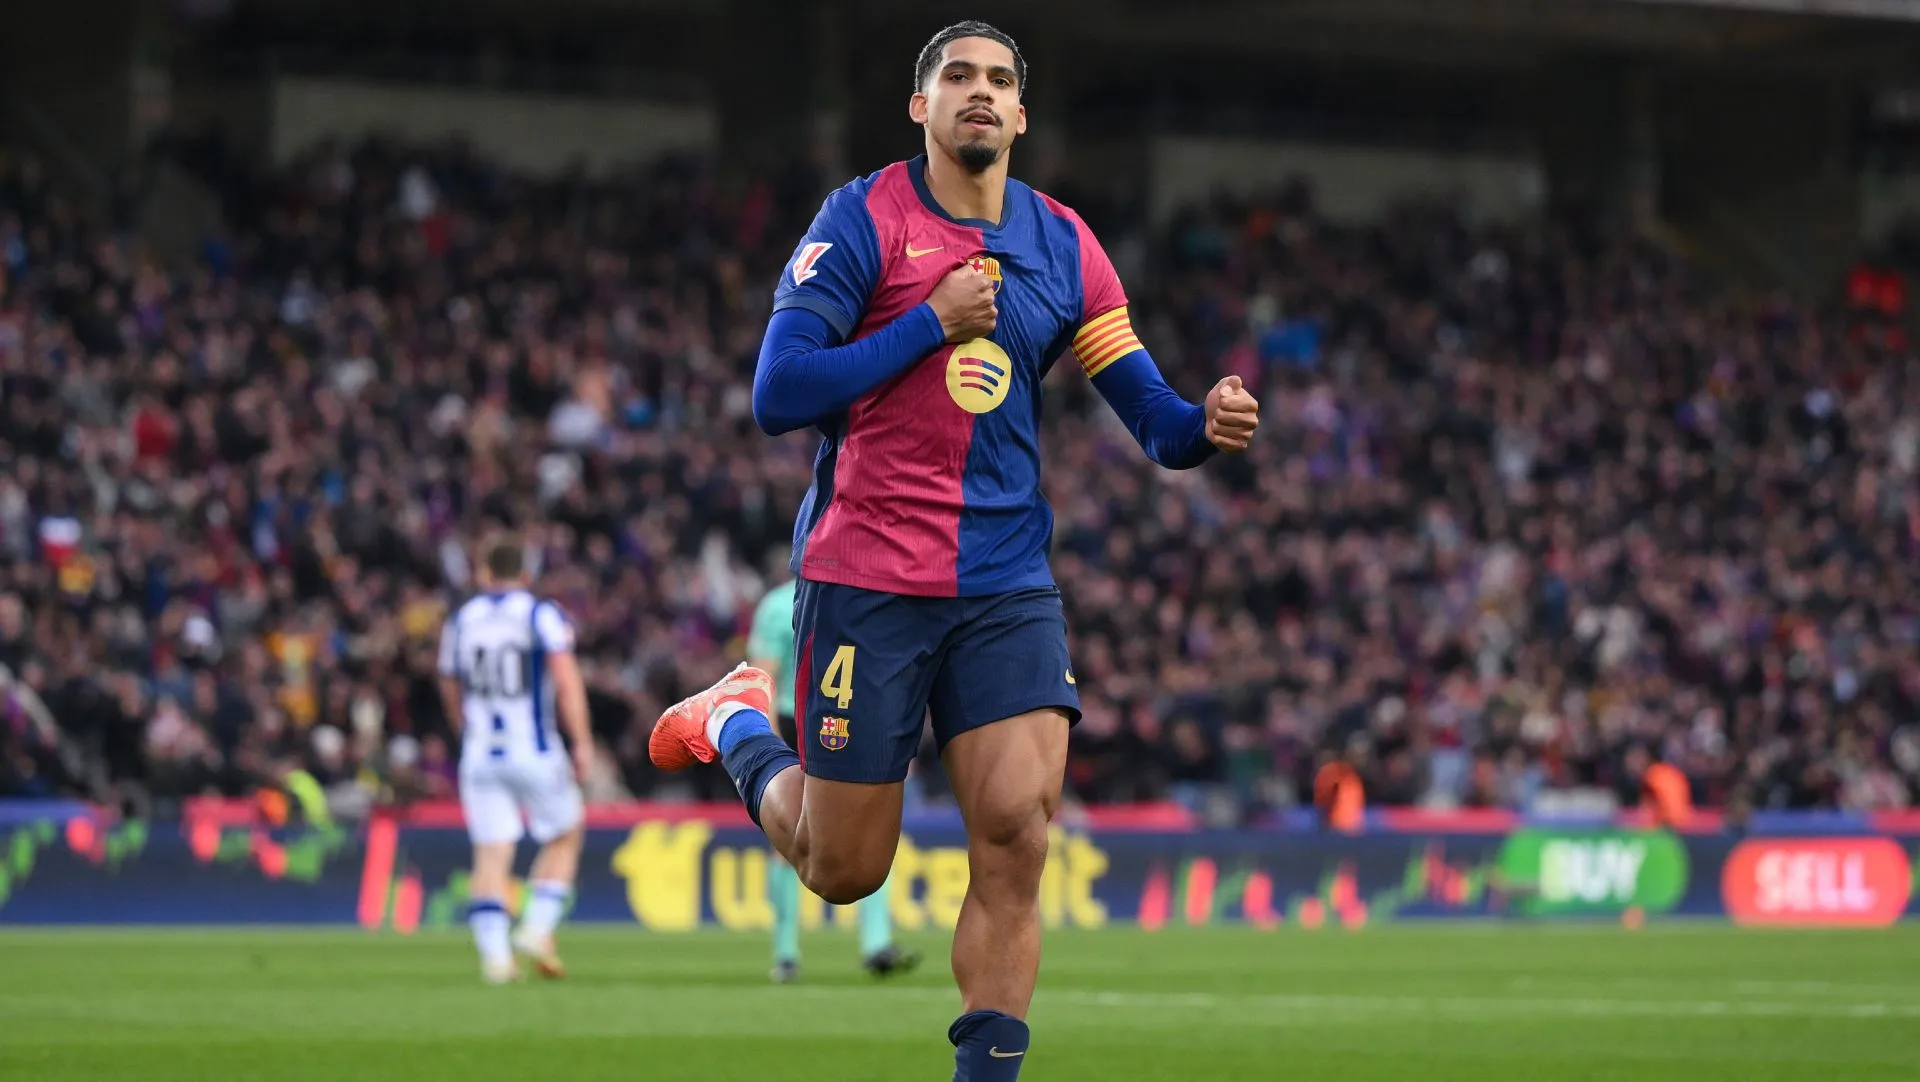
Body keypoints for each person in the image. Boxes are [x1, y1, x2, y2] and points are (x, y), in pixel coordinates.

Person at [649, 20, 1259, 1080]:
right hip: (866, 574)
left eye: (999, 81)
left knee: (1019, 831)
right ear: (920, 106)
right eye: (957, 77)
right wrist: (930, 321)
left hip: (1005, 581)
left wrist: (1203, 424)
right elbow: (778, 393)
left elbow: (1152, 418)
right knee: (843, 868)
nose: (979, 93)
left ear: (1021, 114)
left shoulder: (1065, 244)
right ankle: (737, 719)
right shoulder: (862, 219)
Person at [747, 574, 923, 983]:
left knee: (811, 832)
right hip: (830, 720)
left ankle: (802, 952)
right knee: (862, 827)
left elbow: (763, 679)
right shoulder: (855, 595)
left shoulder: (777, 603)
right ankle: (799, 949)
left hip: (814, 720)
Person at [437, 538, 593, 984]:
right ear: (525, 575)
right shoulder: (539, 614)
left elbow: (448, 681)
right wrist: (581, 741)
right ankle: (537, 927)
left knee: (491, 852)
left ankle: (496, 960)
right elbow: (565, 679)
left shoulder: (461, 620)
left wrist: (464, 726)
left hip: (480, 752)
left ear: (484, 572)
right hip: (534, 748)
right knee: (565, 833)